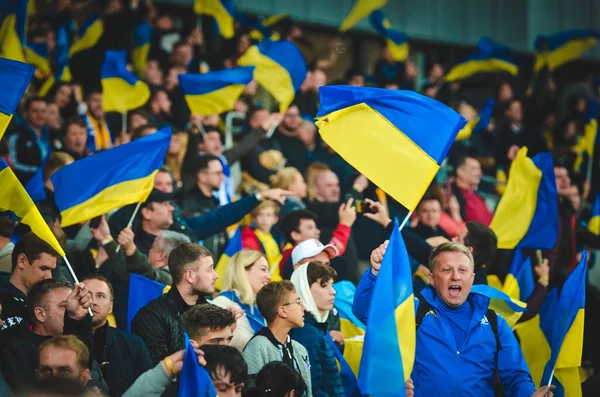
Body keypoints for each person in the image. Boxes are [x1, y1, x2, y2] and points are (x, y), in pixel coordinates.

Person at [355, 242, 554, 397]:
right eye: (447, 270)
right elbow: (367, 313)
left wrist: (529, 394)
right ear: (432, 278)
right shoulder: (414, 312)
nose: (455, 277)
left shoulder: (495, 323)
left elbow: (516, 376)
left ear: (473, 278)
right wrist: (374, 274)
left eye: (463, 270)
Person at [131, 243, 218, 364]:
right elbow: (157, 372)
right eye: (209, 269)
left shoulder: (214, 312)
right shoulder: (151, 317)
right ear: (190, 276)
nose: (216, 275)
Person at [80, 274, 153, 397]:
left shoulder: (133, 344)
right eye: (87, 295)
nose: (93, 302)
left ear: (110, 307)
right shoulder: (62, 341)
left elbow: (148, 390)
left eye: (101, 296)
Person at [243, 281, 311, 397]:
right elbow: (252, 392)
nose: (303, 307)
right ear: (282, 311)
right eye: (298, 302)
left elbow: (308, 393)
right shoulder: (257, 347)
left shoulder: (300, 349)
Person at [290, 262, 344, 397]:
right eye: (324, 285)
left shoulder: (315, 328)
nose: (333, 291)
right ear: (304, 289)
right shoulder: (305, 333)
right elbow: (312, 388)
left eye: (332, 285)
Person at [0, 233, 59, 336]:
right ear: (22, 261)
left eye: (51, 270)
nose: (49, 276)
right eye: (43, 268)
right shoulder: (2, 298)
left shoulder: (52, 303)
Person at [212, 250, 270, 351]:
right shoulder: (221, 303)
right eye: (263, 269)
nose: (269, 277)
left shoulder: (256, 308)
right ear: (242, 270)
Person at [279, 206, 355, 280]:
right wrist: (344, 225)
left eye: (326, 264)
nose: (318, 231)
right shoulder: (290, 258)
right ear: (295, 235)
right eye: (310, 228)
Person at [7, 97, 49, 183]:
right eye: (35, 111)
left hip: (47, 187)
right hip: (24, 186)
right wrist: (40, 172)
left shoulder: (52, 135)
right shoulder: (17, 135)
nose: (40, 115)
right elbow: (13, 164)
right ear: (26, 113)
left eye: (43, 111)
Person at [241, 201, 282, 276]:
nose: (264, 219)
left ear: (275, 219)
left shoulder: (276, 238)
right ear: (254, 218)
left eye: (268, 215)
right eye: (260, 215)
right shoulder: (250, 239)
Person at [451, 157, 493, 226]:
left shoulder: (478, 196)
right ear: (460, 171)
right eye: (474, 169)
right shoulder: (452, 195)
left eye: (479, 169)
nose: (479, 173)